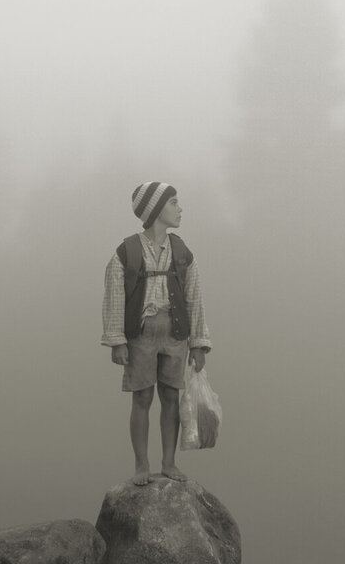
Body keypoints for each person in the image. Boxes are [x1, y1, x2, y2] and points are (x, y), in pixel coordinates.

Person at [101, 181, 211, 485]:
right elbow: (114, 295)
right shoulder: (127, 252)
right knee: (142, 397)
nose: (179, 209)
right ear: (155, 209)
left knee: (171, 396)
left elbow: (194, 296)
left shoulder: (181, 251)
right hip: (141, 333)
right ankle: (141, 465)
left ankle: (168, 463)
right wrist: (117, 340)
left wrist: (199, 342)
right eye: (173, 203)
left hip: (175, 332)